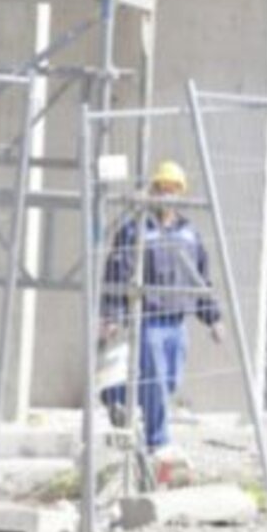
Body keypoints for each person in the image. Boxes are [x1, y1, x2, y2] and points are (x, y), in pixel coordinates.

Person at [100, 160, 223, 455]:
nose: (166, 195)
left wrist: (214, 319)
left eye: (173, 190)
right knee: (154, 380)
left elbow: (200, 279)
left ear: (180, 194)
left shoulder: (189, 233)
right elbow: (117, 273)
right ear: (153, 190)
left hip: (177, 322)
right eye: (161, 188)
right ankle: (158, 441)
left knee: (169, 383)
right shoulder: (135, 231)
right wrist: (113, 315)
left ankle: (115, 395)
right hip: (148, 319)